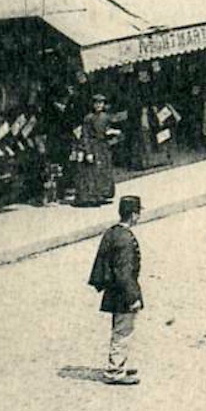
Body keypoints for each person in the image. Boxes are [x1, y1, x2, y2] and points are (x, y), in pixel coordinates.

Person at [86, 195, 144, 386]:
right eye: (138, 213)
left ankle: (121, 363)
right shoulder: (125, 240)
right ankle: (115, 370)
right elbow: (124, 272)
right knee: (122, 330)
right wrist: (133, 296)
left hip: (112, 291)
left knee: (120, 328)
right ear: (133, 215)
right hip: (122, 293)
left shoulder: (112, 232)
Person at [70, 94, 123, 208]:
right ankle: (93, 197)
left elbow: (108, 129)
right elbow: (85, 136)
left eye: (101, 103)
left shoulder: (106, 117)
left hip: (103, 146)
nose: (99, 105)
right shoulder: (88, 118)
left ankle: (103, 194)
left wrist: (113, 134)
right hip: (93, 146)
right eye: (96, 103)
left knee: (104, 171)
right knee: (93, 172)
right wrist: (88, 152)